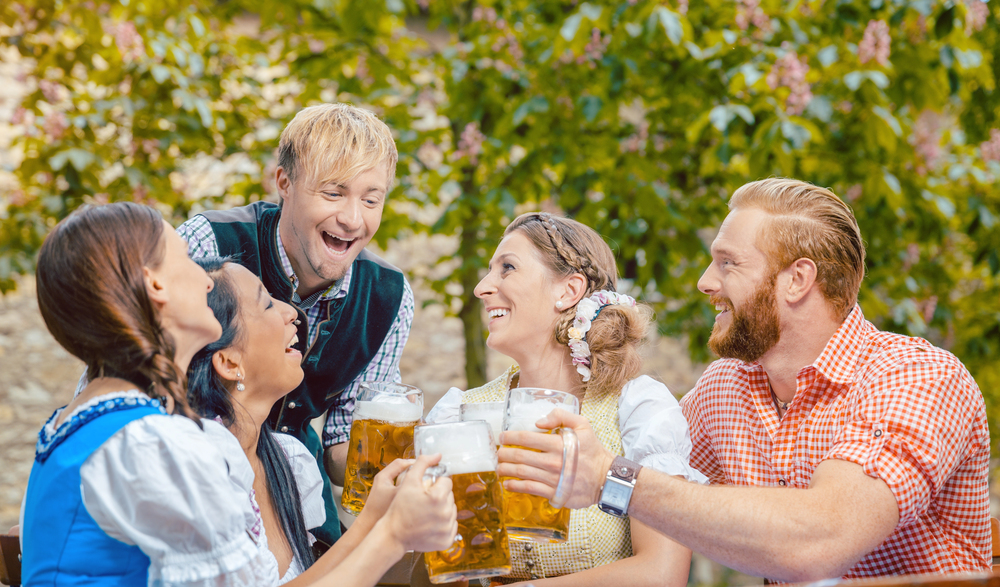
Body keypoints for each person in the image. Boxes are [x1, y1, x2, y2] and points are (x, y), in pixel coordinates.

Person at [497, 179, 990, 582]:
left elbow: (821, 539)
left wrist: (610, 477)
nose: (705, 282)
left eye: (728, 263)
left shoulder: (918, 377)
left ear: (797, 280)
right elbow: (652, 493)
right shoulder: (725, 388)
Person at [20, 202, 456, 587]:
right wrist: (394, 535)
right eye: (187, 261)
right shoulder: (156, 444)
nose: (208, 281)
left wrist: (377, 521)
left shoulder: (99, 421)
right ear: (156, 286)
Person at [176, 102, 413, 546]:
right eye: (333, 193)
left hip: (298, 496)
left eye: (371, 199)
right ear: (284, 182)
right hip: (193, 483)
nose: (353, 218)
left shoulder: (389, 298)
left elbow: (342, 449)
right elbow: (135, 374)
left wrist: (417, 458)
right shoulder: (208, 243)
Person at [425, 212, 705, 586]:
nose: (481, 287)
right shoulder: (461, 411)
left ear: (568, 291)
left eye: (507, 268)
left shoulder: (639, 407)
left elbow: (662, 573)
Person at [186, 256, 457, 585]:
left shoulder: (286, 458)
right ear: (229, 362)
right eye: (267, 305)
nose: (292, 313)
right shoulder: (198, 466)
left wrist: (375, 518)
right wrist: (393, 535)